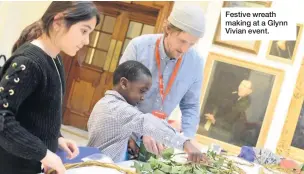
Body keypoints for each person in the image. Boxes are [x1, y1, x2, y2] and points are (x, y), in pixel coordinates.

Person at [0, 2, 100, 174]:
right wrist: (43, 152)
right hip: (12, 165)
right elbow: (3, 119)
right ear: (58, 21)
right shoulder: (28, 62)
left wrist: (57, 138)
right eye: (84, 31)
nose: (87, 41)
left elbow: (37, 113)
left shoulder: (55, 58)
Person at [119, 4, 205, 156]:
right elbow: (120, 98)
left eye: (191, 44)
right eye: (182, 41)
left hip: (157, 140)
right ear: (168, 29)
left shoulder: (195, 62)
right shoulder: (138, 47)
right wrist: (145, 127)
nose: (184, 49)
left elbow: (190, 106)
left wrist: (188, 138)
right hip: (123, 132)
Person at [87, 60, 205, 163]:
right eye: (142, 91)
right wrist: (186, 144)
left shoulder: (106, 102)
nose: (143, 97)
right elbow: (146, 122)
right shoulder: (117, 108)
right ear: (124, 83)